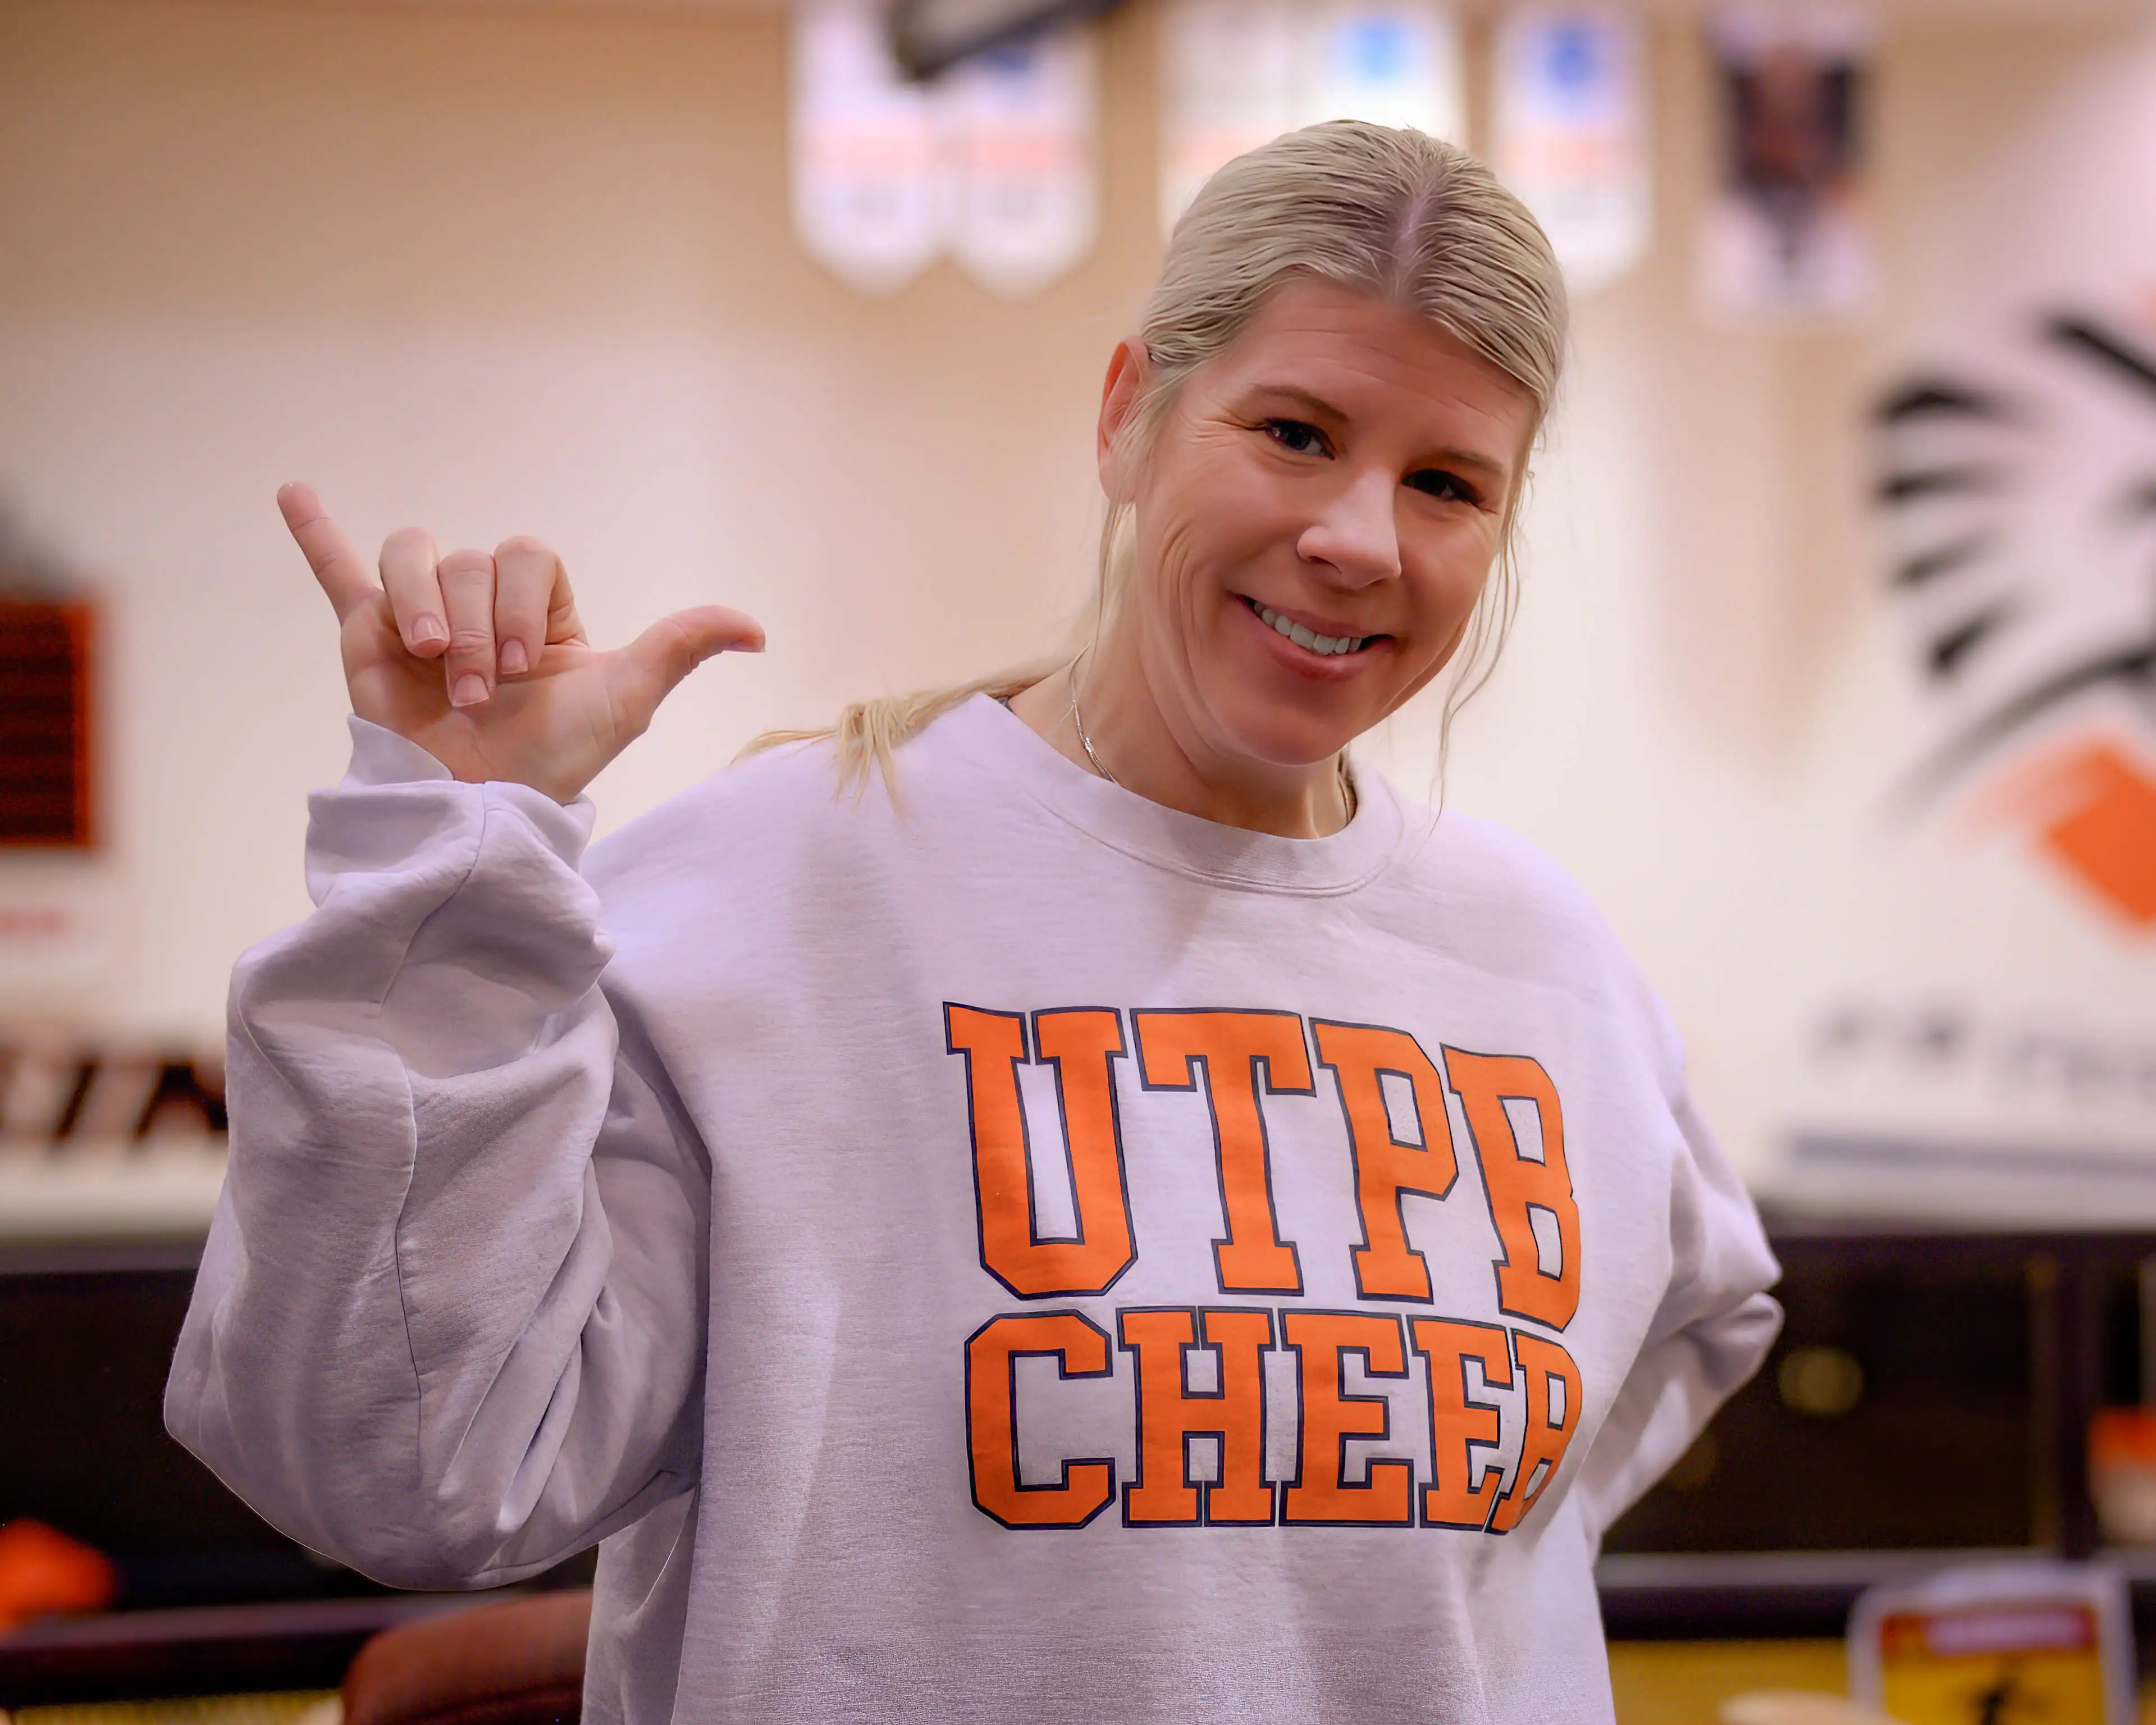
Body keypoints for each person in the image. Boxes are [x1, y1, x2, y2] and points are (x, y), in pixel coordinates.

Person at [167, 121, 1780, 1725]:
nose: (1361, 538)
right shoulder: (778, 889)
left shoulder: (1545, 963)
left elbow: (1692, 1322)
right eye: (1296, 433)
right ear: (1128, 416)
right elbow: (407, 1472)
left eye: (1446, 484)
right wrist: (454, 858)